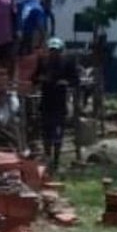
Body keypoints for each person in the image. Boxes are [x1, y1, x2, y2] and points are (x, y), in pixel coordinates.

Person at [31, 38, 80, 172]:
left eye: (57, 51)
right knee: (46, 131)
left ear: (61, 51)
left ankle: (56, 160)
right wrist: (40, 79)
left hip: (60, 102)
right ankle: (48, 158)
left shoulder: (67, 63)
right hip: (46, 101)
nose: (54, 53)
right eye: (52, 50)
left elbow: (75, 80)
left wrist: (65, 82)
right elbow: (34, 78)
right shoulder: (43, 63)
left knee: (58, 132)